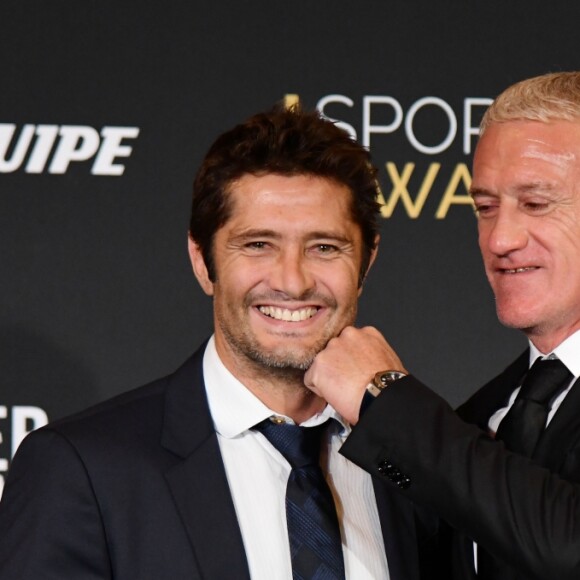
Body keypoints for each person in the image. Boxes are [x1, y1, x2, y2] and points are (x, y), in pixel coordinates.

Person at [0, 105, 448, 579]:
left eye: (324, 247)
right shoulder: (82, 469)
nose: (292, 282)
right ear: (202, 260)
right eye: (258, 245)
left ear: (366, 262)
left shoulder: (420, 465)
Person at [304, 71, 580, 580]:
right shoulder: (484, 416)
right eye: (485, 208)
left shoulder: (436, 432)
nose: (500, 239)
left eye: (536, 204)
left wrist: (384, 396)